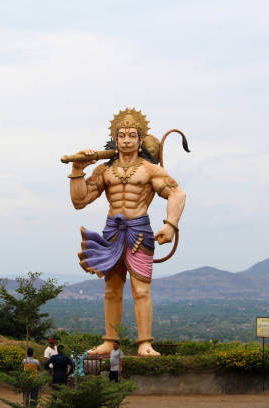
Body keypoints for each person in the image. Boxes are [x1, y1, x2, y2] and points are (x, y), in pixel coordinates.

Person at [68, 108, 186, 356]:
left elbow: (177, 193)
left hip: (139, 232)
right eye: (122, 135)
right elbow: (79, 201)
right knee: (111, 289)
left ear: (141, 140)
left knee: (141, 289)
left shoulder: (150, 170)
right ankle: (110, 340)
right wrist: (78, 169)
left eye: (132, 135)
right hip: (112, 231)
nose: (127, 140)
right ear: (116, 138)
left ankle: (145, 343)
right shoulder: (104, 170)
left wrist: (170, 224)